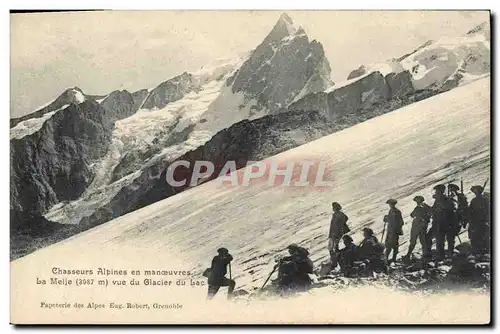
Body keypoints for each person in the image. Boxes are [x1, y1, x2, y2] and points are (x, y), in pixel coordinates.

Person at [431, 184, 456, 260]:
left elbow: (451, 209)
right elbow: (433, 210)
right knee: (440, 240)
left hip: (448, 223)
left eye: (437, 191)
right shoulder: (437, 201)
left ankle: (449, 255)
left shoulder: (447, 200)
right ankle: (441, 256)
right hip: (440, 223)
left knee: (449, 240)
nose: (436, 193)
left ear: (441, 192)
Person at [468, 185, 490, 255]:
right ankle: (477, 252)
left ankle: (484, 253)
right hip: (476, 222)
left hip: (482, 222)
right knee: (476, 237)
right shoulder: (474, 200)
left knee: (483, 237)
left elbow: (488, 211)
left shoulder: (485, 200)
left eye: (476, 191)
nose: (475, 192)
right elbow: (470, 212)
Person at [328, 202, 350, 267]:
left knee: (333, 248)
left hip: (335, 234)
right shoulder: (337, 214)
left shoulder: (339, 215)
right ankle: (335, 262)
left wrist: (337, 232)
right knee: (333, 248)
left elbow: (337, 226)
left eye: (334, 207)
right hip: (334, 234)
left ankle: (335, 263)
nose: (333, 208)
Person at [383, 199, 404, 263]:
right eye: (389, 204)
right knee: (391, 245)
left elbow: (401, 222)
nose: (390, 205)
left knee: (392, 245)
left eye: (390, 204)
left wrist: (396, 229)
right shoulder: (391, 211)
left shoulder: (397, 212)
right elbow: (390, 220)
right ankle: (388, 258)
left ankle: (390, 259)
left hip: (394, 232)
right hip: (390, 231)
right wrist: (386, 218)